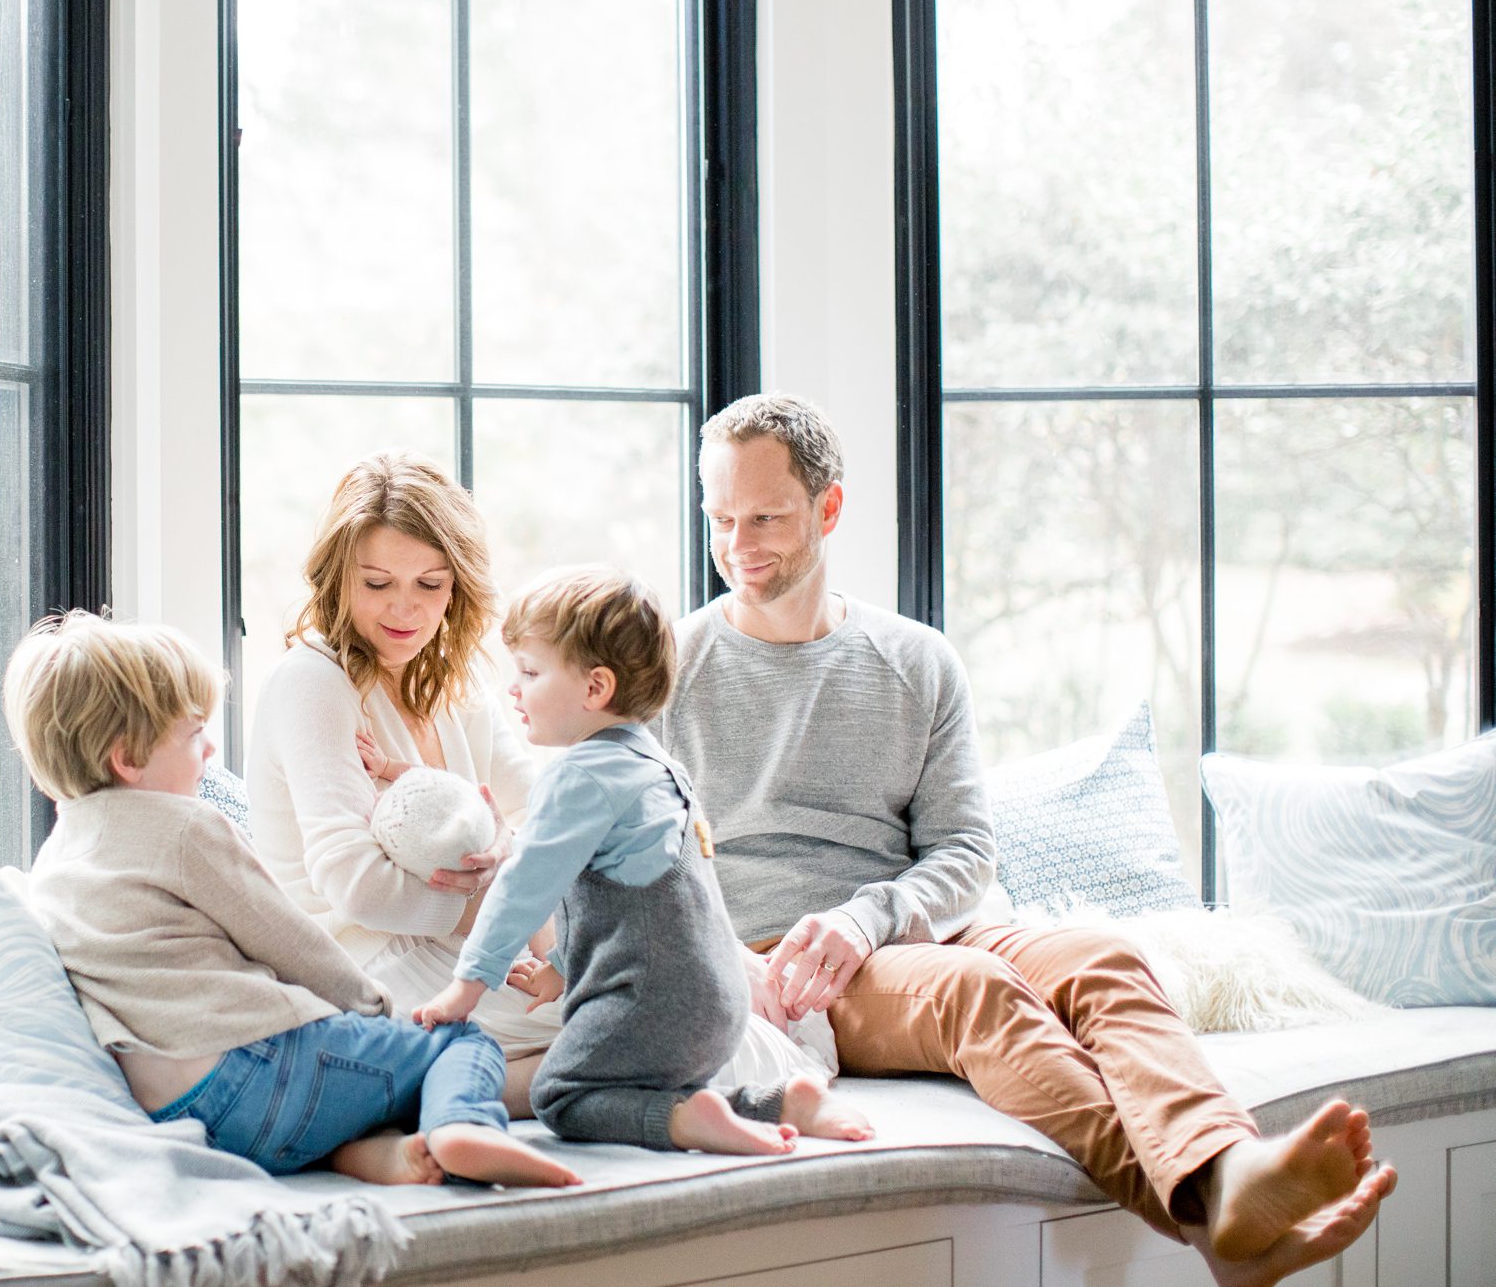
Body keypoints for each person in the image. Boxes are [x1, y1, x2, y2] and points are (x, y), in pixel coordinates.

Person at [658, 391, 1396, 1287]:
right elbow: (656, 862)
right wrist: (744, 958)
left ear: (829, 507)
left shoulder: (916, 659)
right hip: (788, 961)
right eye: (721, 518)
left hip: (904, 927)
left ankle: (1231, 1166)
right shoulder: (673, 670)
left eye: (766, 516)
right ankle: (1207, 1213)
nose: (740, 544)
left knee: (1104, 955)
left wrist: (869, 916)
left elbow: (966, 851)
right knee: (982, 991)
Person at [246, 450, 832, 1114]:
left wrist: (708, 946)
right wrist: (495, 889)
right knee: (668, 1026)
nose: (404, 609)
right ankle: (735, 1098)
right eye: (377, 583)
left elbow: (543, 818)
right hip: (365, 963)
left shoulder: (454, 681)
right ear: (337, 577)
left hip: (478, 944)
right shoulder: (312, 682)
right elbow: (356, 887)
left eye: (430, 584)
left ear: (458, 584)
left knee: (692, 1006)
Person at [4, 609, 579, 1189]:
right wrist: (376, 1007)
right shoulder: (186, 829)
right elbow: (288, 937)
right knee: (458, 1040)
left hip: (180, 1111)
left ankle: (368, 1154)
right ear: (127, 758)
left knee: (355, 1084)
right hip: (255, 1065)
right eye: (193, 732)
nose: (208, 753)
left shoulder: (54, 865)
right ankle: (465, 1127)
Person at [412, 565, 871, 1154]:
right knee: (642, 1077)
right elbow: (638, 902)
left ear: (595, 688)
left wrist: (467, 986)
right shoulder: (657, 768)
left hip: (654, 1004)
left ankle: (685, 1124)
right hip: (719, 1004)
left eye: (529, 672)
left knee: (560, 1094)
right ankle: (781, 1100)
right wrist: (560, 965)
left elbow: (522, 888)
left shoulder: (577, 778)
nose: (513, 689)